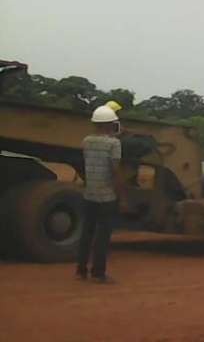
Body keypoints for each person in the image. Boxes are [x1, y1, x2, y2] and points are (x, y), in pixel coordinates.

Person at [76, 104, 124, 284]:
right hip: (107, 196)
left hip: (90, 194)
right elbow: (115, 169)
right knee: (103, 236)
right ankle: (98, 272)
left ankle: (81, 270)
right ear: (110, 124)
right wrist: (121, 193)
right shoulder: (114, 143)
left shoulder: (86, 141)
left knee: (87, 233)